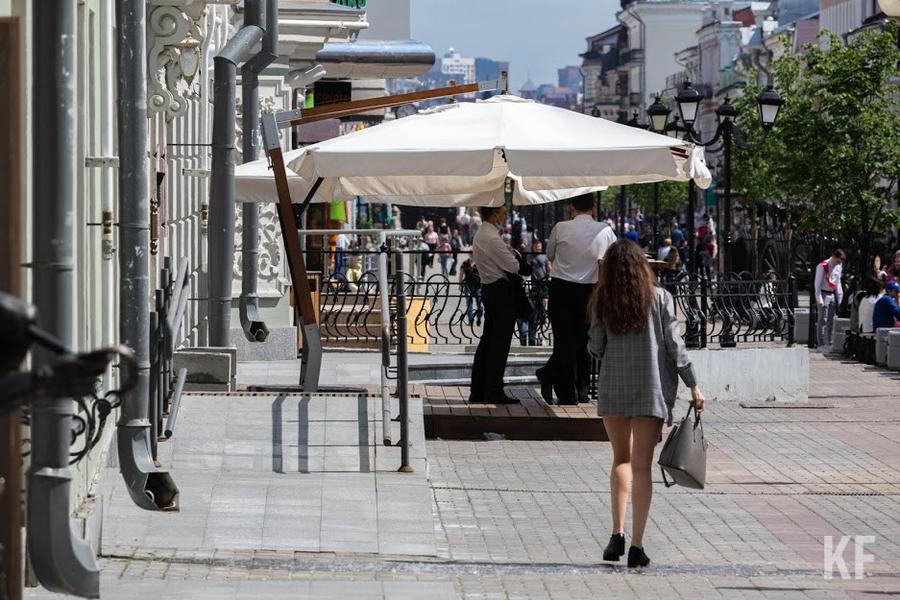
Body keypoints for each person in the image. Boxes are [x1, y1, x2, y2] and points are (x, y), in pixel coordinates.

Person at [588, 240, 705, 568]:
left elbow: (595, 348)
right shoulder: (661, 298)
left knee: (620, 460)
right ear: (642, 266)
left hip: (613, 390)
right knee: (642, 467)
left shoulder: (603, 300)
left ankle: (617, 533)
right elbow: (675, 347)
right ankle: (637, 546)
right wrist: (693, 385)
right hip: (650, 390)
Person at [537, 193, 617, 405]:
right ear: (593, 207)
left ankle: (562, 388)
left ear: (572, 207)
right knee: (583, 341)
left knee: (564, 341)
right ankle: (579, 389)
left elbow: (550, 254)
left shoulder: (560, 228)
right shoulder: (606, 231)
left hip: (561, 288)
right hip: (590, 291)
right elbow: (613, 257)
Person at [469, 205, 529, 404]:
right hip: (500, 292)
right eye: (503, 212)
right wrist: (513, 255)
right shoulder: (492, 238)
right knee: (499, 344)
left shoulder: (483, 234)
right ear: (494, 214)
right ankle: (494, 390)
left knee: (488, 342)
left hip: (491, 289)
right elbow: (513, 266)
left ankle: (479, 389)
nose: (505, 215)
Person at [814, 249, 846, 349]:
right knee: (822, 320)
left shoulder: (838, 267)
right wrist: (819, 299)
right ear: (834, 257)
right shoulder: (822, 266)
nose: (838, 264)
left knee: (831, 320)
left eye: (840, 262)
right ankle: (821, 344)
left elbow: (838, 283)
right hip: (823, 293)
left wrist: (840, 299)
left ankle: (829, 343)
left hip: (832, 294)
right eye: (838, 261)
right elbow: (817, 284)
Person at [527, 239, 551, 346]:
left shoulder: (544, 256)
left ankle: (542, 325)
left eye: (539, 247)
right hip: (535, 285)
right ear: (533, 247)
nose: (538, 248)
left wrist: (550, 273)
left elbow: (549, 268)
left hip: (544, 283)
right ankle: (533, 337)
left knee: (544, 307)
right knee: (534, 311)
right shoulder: (530, 257)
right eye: (537, 247)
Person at [460, 257, 483, 326]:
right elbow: (461, 274)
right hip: (468, 286)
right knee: (469, 303)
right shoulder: (465, 263)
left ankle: (479, 318)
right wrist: (460, 283)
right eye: (471, 253)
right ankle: (471, 319)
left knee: (480, 305)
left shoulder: (480, 262)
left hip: (478, 286)